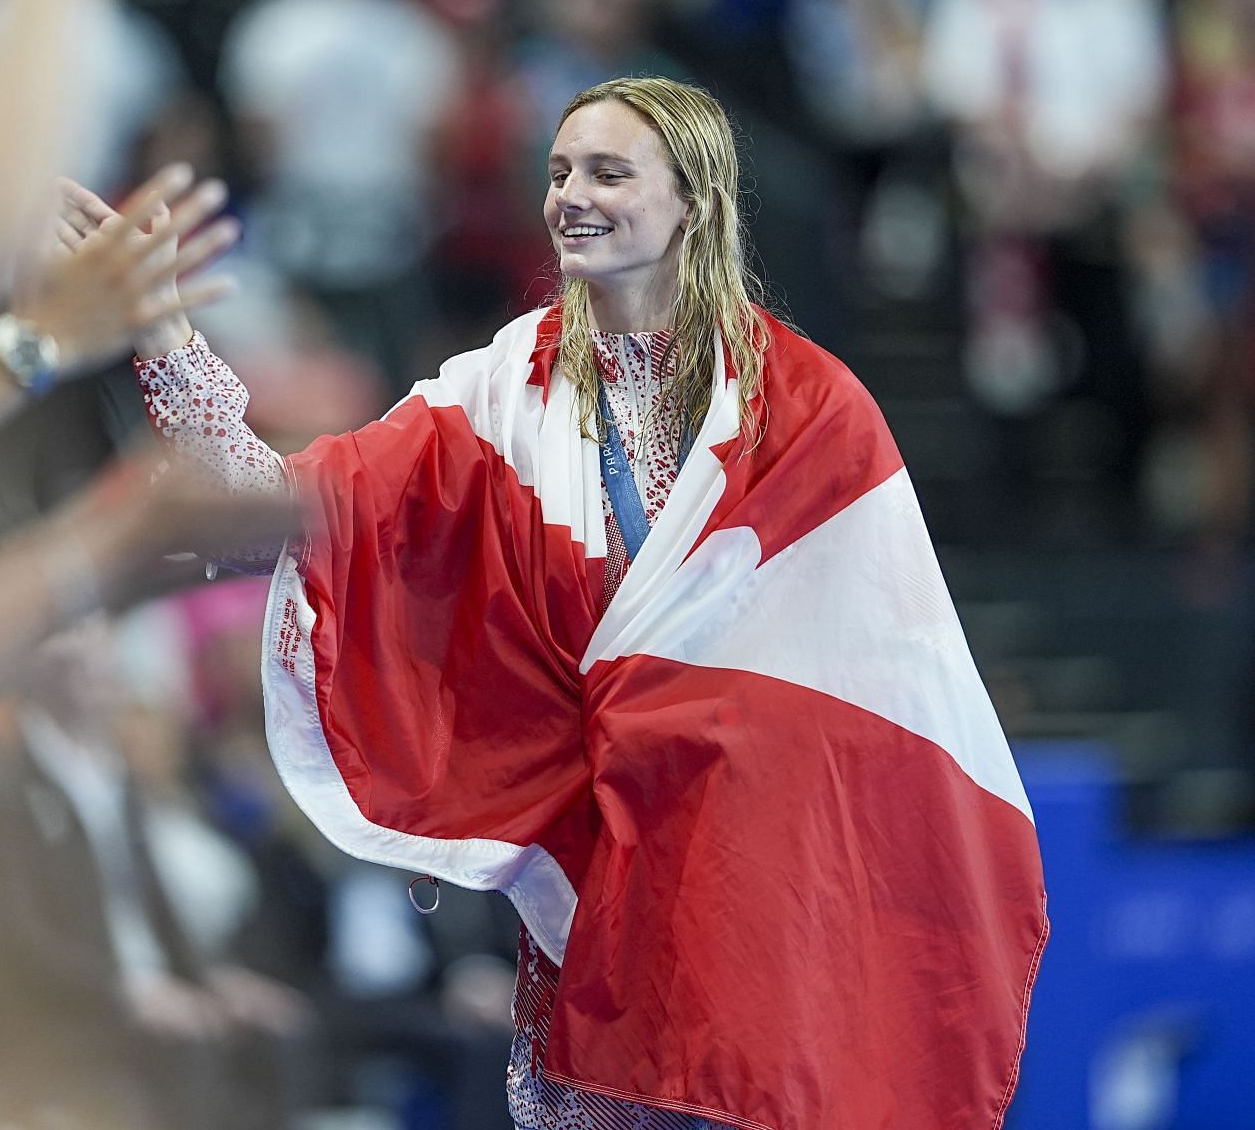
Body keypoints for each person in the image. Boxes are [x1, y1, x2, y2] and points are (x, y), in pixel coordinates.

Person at [102, 76, 1048, 1128]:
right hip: (594, 908)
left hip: (769, 894)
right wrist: (162, 333)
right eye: (558, 173)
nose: (570, 197)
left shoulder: (814, 407)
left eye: (606, 171)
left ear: (694, 199)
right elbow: (275, 503)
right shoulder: (495, 396)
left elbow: (883, 662)